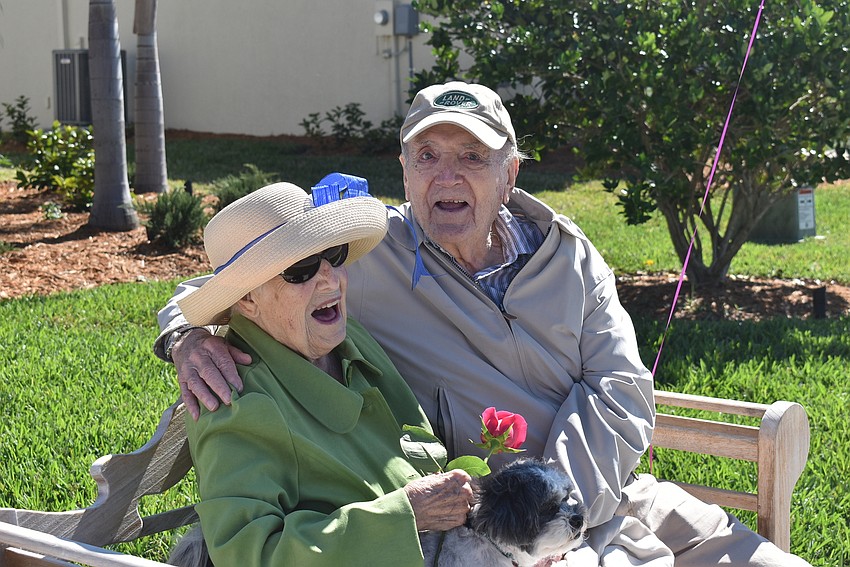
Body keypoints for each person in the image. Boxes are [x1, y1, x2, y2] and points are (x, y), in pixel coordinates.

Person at [156, 81, 811, 566]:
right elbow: (237, 279)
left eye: (472, 156)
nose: (447, 175)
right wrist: (184, 337)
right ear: (405, 170)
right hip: (476, 524)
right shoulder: (361, 251)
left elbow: (621, 389)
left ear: (510, 172)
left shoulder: (570, 254)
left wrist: (553, 510)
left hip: (608, 496)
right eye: (428, 155)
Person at [169, 180, 473, 566]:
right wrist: (407, 513)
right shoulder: (235, 399)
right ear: (247, 299)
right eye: (300, 269)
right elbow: (250, 554)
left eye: (332, 254)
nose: (331, 279)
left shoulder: (347, 339)